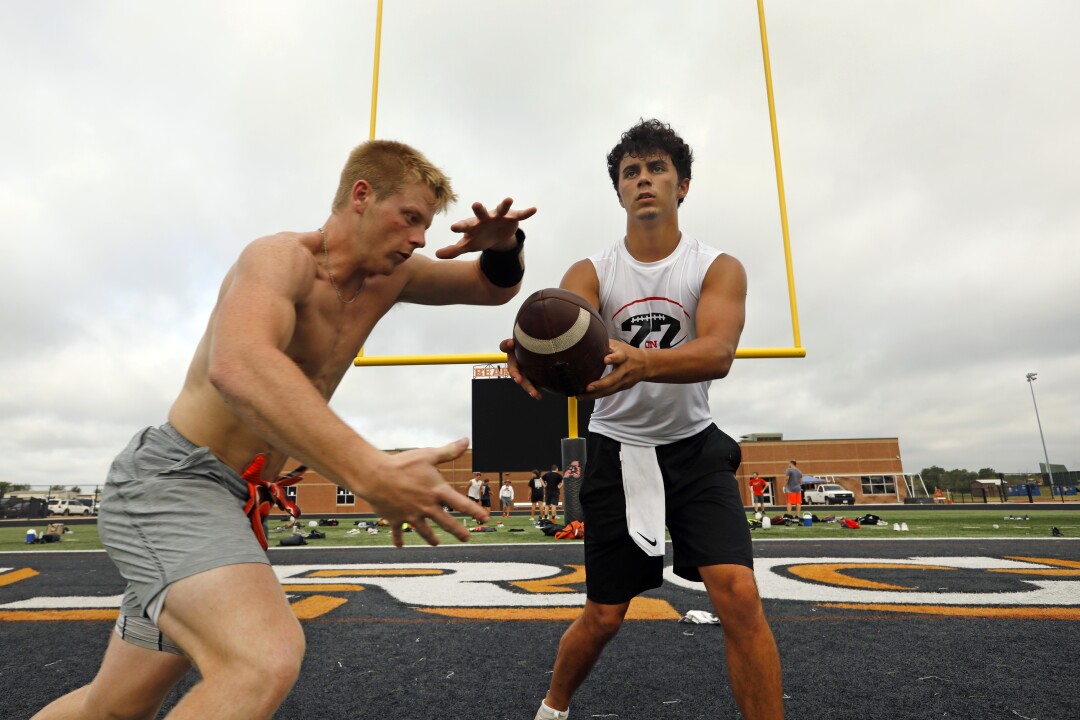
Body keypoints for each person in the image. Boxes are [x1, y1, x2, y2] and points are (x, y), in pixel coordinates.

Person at [32, 139, 535, 720]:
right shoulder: (279, 259)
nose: (420, 239)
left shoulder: (389, 279)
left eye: (426, 225)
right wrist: (370, 470)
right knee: (262, 660)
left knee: (114, 708)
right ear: (361, 196)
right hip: (172, 482)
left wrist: (507, 245)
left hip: (231, 501)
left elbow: (492, 288)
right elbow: (238, 364)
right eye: (411, 218)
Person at [501, 119, 783, 719]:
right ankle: (553, 708)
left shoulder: (716, 265)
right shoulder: (594, 271)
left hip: (692, 445)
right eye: (632, 172)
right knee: (604, 616)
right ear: (619, 192)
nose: (644, 179)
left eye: (657, 168)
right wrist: (530, 355)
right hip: (618, 451)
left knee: (738, 595)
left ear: (682, 185)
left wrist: (645, 363)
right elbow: (556, 330)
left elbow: (718, 353)